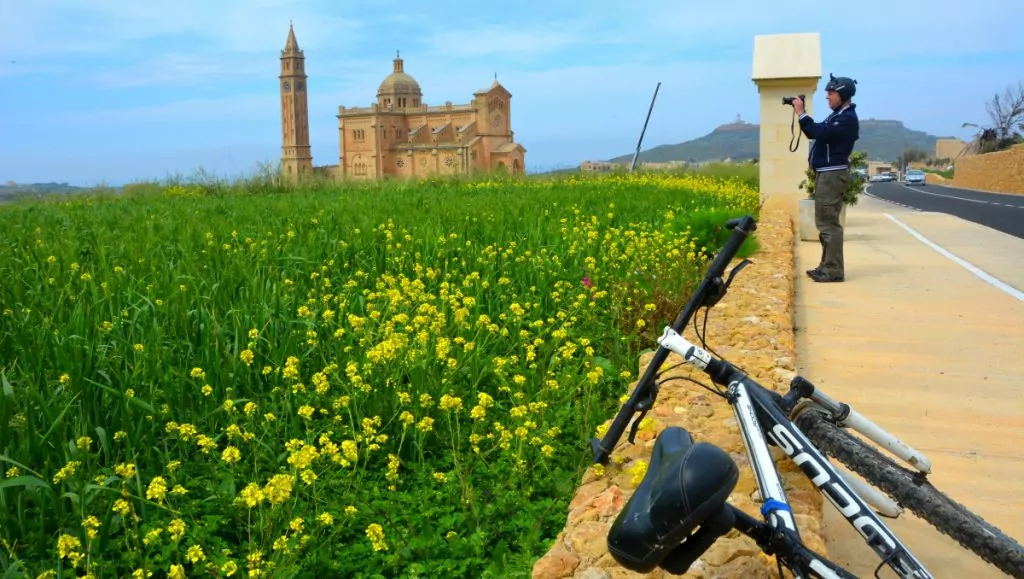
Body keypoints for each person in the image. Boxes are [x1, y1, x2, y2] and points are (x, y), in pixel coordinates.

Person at [793, 74, 860, 283]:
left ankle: (833, 271)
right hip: (827, 174)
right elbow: (817, 131)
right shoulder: (838, 115)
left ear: (843, 94)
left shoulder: (846, 119)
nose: (827, 97)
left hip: (833, 175)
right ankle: (826, 266)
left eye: (831, 93)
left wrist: (801, 112)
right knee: (824, 222)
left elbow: (817, 132)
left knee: (829, 224)